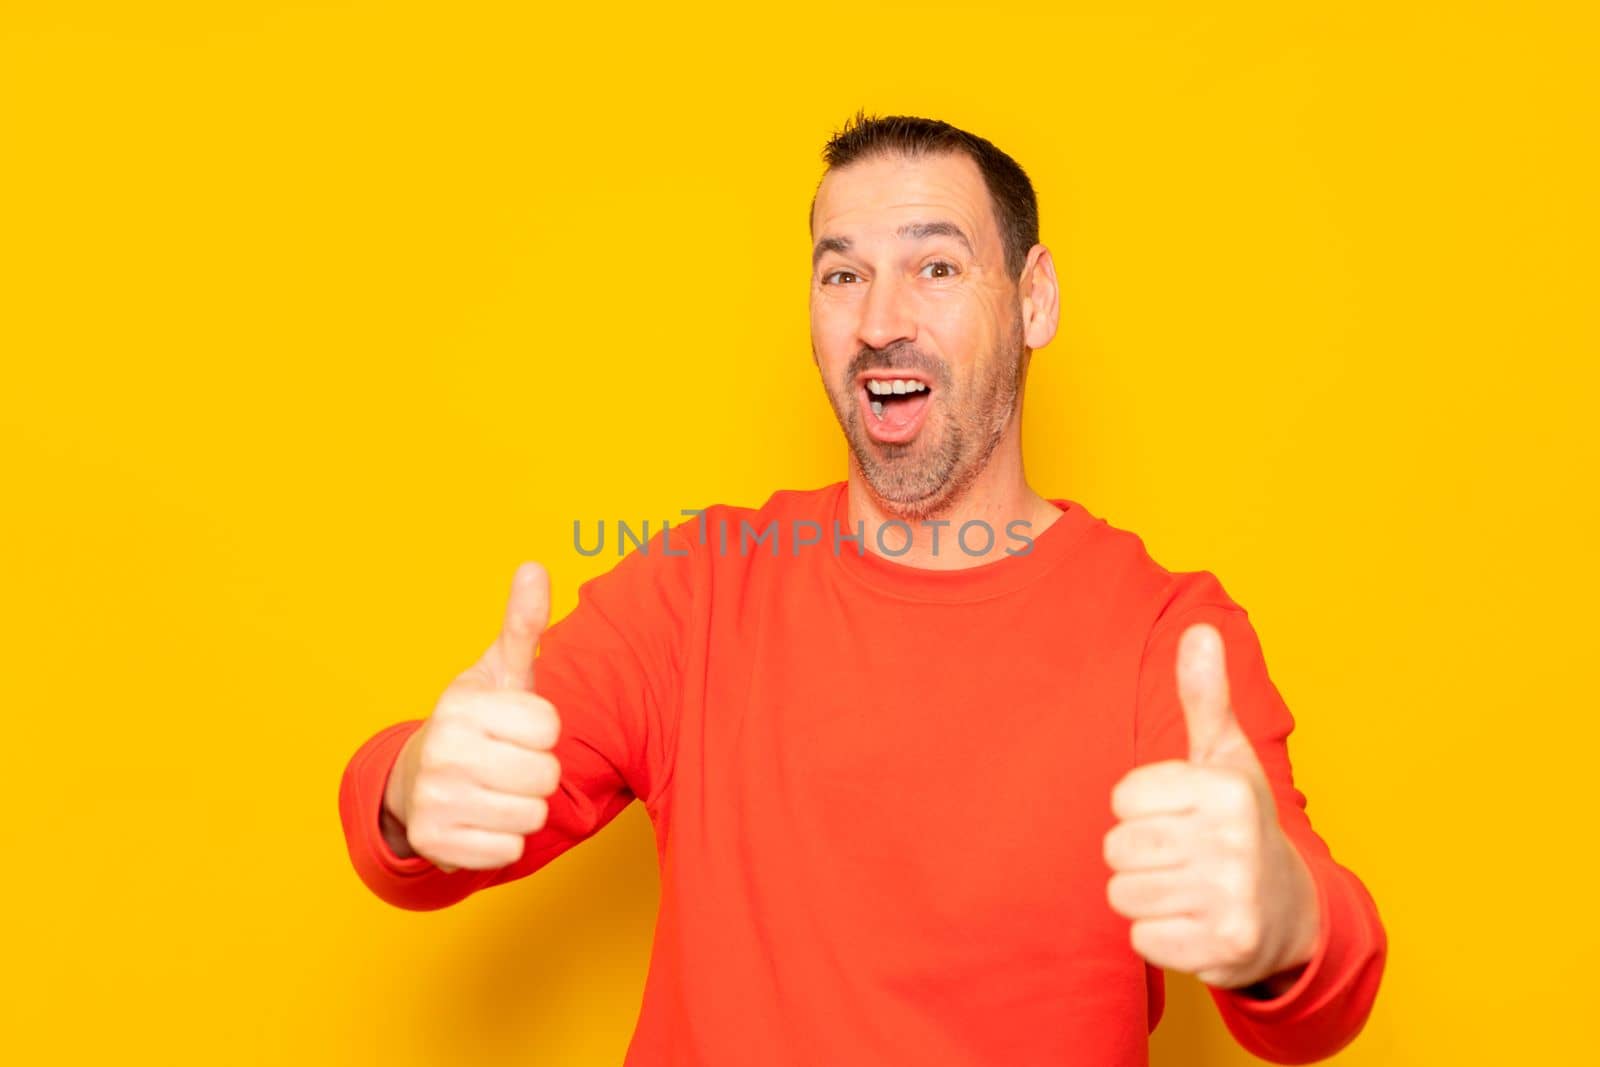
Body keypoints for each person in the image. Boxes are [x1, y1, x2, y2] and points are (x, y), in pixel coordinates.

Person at [338, 112, 1387, 1065]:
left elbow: (1317, 994)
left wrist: (1281, 916)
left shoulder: (1167, 632)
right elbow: (416, 840)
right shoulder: (699, 589)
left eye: (936, 265)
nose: (881, 317)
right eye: (841, 275)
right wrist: (414, 785)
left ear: (1034, 298)